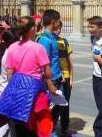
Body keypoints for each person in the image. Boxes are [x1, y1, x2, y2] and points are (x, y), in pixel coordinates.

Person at [0, 16, 55, 136]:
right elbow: (47, 72)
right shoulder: (38, 48)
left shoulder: (12, 47)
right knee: (33, 127)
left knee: (17, 127)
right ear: (33, 29)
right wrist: (51, 86)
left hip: (16, 91)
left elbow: (9, 73)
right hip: (33, 93)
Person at [37, 9, 63, 137]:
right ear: (54, 22)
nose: (60, 23)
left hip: (57, 78)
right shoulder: (45, 39)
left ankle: (50, 129)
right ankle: (48, 132)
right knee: (49, 109)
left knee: (58, 107)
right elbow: (44, 64)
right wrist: (49, 83)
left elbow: (55, 59)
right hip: (50, 81)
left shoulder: (52, 37)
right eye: (59, 20)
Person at [0, 28, 19, 137]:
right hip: (8, 93)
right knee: (12, 125)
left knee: (6, 125)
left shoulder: (3, 52)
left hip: (2, 91)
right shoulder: (10, 54)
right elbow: (12, 76)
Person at [88, 16, 102, 137]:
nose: (89, 29)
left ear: (101, 28)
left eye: (92, 26)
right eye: (89, 26)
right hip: (96, 77)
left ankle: (99, 131)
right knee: (100, 106)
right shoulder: (92, 38)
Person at [55, 21, 74, 137]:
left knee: (66, 103)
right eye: (57, 28)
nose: (58, 31)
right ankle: (52, 126)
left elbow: (69, 62)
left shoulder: (64, 41)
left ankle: (65, 127)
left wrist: (71, 78)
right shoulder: (49, 42)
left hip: (66, 77)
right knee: (56, 104)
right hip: (56, 77)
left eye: (60, 29)